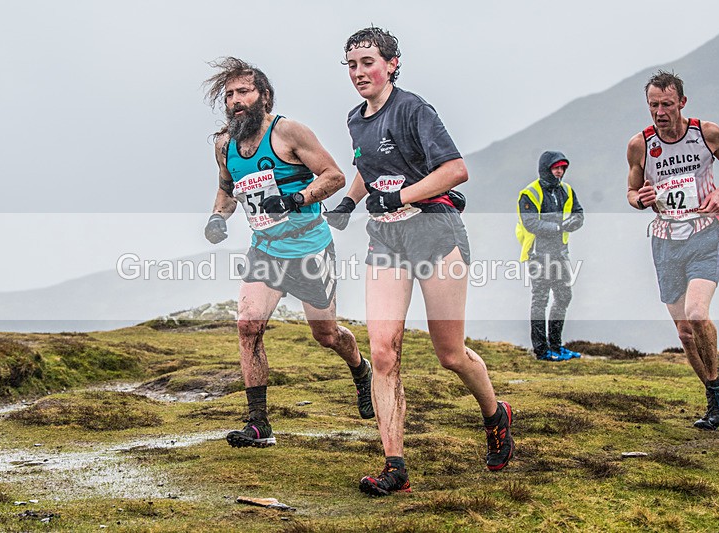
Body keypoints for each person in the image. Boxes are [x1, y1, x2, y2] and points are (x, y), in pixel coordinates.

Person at [326, 27, 514, 496]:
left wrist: (402, 197)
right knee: (384, 351)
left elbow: (455, 170)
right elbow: (367, 169)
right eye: (351, 65)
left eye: (367, 62)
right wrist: (351, 202)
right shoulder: (356, 119)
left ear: (391, 64)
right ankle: (395, 467)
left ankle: (495, 414)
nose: (358, 73)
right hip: (386, 241)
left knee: (449, 353)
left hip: (436, 233)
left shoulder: (413, 109)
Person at [202, 57, 374, 448]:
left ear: (264, 95)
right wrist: (217, 217)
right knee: (248, 325)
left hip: (311, 248)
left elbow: (334, 176)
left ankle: (361, 370)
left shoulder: (289, 132)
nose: (235, 101)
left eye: (243, 91)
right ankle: (259, 424)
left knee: (326, 335)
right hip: (266, 250)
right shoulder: (225, 145)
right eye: (229, 95)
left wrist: (296, 198)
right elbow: (227, 190)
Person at [627, 70, 719, 430]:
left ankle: (716, 398)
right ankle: (715, 393)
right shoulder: (640, 145)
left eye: (666, 104)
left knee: (696, 313)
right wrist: (640, 199)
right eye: (653, 105)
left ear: (681, 102)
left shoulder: (706, 133)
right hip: (664, 242)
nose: (660, 112)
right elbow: (631, 193)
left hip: (704, 235)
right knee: (684, 332)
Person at [516, 151, 584, 361]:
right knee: (540, 300)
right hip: (538, 254)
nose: (560, 172)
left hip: (560, 253)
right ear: (546, 168)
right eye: (556, 168)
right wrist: (558, 227)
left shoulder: (566, 190)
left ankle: (556, 345)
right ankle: (542, 351)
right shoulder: (529, 193)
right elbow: (531, 223)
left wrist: (574, 222)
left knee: (564, 296)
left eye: (563, 168)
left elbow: (578, 213)